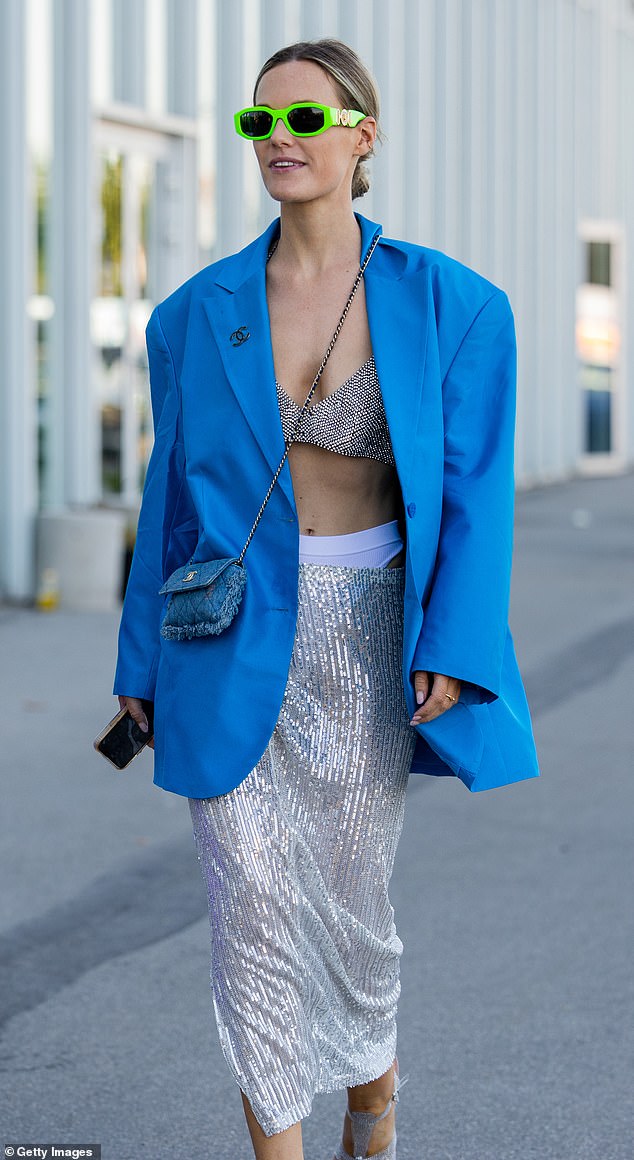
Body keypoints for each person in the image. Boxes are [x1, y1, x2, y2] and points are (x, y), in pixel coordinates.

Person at [113, 37, 539, 1160]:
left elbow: (474, 497)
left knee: (351, 918)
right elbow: (168, 504)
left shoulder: (455, 305)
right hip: (225, 639)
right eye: (260, 125)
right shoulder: (193, 314)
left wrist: (454, 641)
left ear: (362, 134)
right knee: (250, 916)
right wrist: (139, 669)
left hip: (369, 633)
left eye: (305, 121)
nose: (280, 144)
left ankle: (373, 1100)